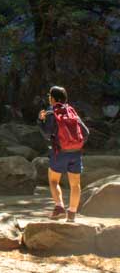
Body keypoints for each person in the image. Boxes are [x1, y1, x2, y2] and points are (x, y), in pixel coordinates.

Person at [38, 85, 90, 222]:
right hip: (76, 153)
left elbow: (47, 134)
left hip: (59, 153)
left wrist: (40, 121)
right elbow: (86, 133)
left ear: (53, 98)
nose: (49, 98)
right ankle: (72, 215)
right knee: (75, 185)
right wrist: (75, 143)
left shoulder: (51, 112)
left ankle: (59, 208)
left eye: (50, 96)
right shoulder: (71, 111)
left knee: (54, 180)